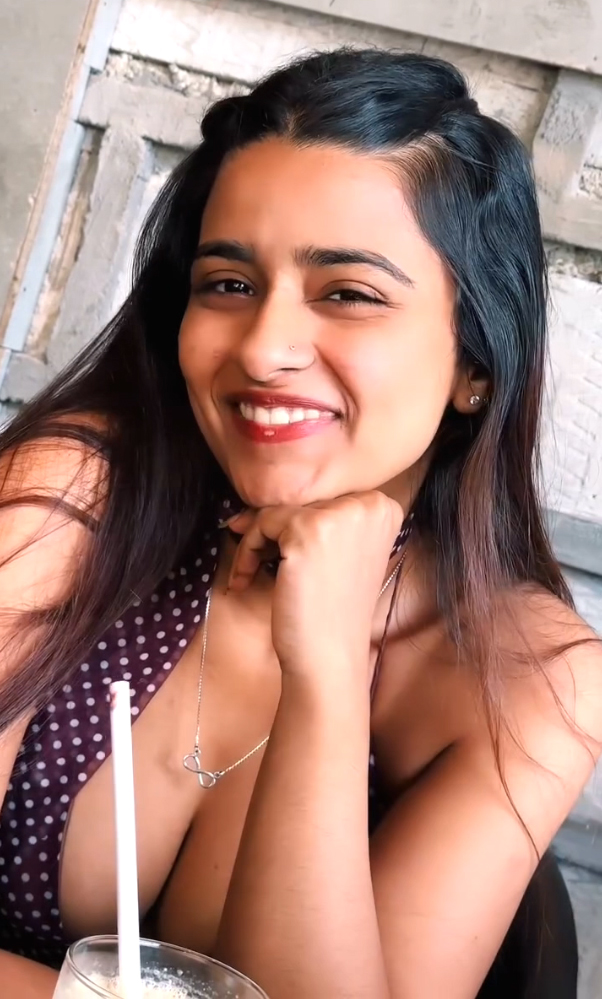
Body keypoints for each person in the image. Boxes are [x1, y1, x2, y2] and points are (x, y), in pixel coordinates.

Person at [0, 46, 600, 999]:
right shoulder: (77, 494)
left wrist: (326, 682)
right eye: (228, 284)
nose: (264, 348)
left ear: (475, 365)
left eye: (348, 294)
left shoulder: (534, 679)